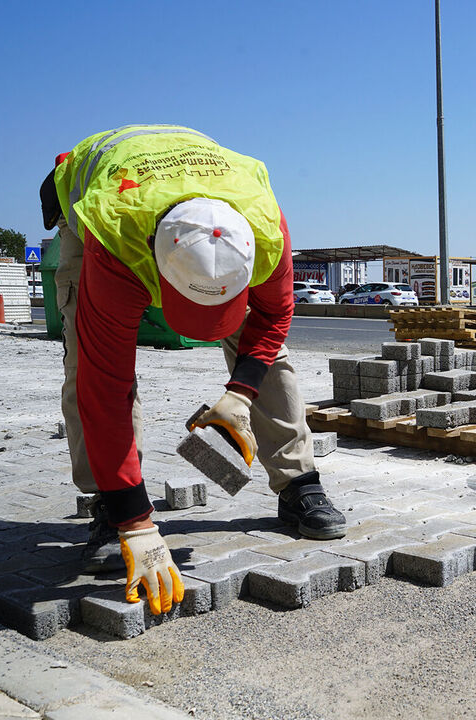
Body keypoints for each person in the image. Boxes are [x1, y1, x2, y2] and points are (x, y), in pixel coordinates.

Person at [40, 125, 347, 616]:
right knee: (85, 363)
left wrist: (241, 393)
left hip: (192, 197)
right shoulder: (117, 249)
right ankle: (109, 504)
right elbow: (105, 385)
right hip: (99, 215)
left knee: (272, 357)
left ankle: (298, 482)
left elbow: (273, 317)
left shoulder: (264, 231)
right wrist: (136, 520)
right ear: (160, 276)